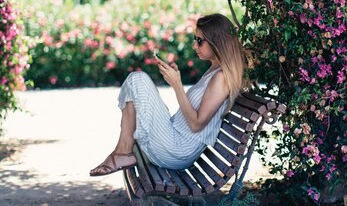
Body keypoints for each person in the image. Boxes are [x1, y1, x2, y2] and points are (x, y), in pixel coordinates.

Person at [89, 13, 246, 176]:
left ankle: (123, 153)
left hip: (178, 150)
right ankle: (123, 152)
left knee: (138, 80)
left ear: (217, 42)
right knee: (136, 80)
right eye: (195, 39)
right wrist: (176, 83)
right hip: (174, 140)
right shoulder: (214, 71)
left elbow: (197, 124)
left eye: (199, 41)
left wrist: (177, 85)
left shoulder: (221, 78)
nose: (194, 45)